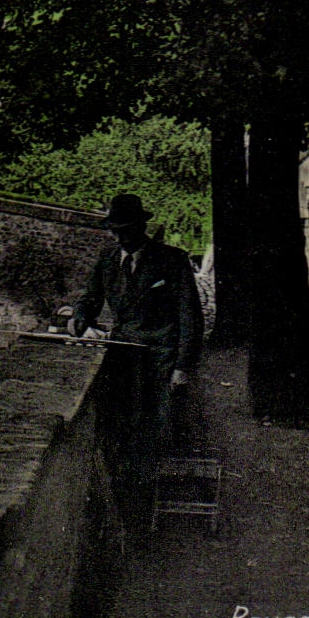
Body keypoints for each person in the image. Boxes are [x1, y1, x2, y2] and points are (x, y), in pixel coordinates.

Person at [70, 193, 204, 497]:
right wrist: (81, 322)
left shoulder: (171, 260)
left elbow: (190, 316)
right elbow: (89, 299)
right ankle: (124, 495)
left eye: (126, 230)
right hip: (121, 357)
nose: (120, 238)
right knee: (119, 428)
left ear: (141, 227)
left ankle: (148, 498)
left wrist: (182, 366)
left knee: (154, 430)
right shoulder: (107, 259)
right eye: (115, 231)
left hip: (159, 360)